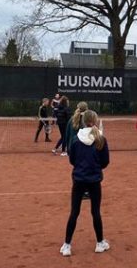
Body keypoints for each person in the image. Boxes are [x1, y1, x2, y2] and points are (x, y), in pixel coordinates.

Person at [60, 110, 110, 257]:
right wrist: (95, 168)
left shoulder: (76, 139)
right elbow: (105, 162)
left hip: (79, 180)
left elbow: (72, 159)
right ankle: (100, 243)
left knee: (74, 213)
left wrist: (83, 167)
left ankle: (67, 245)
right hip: (94, 181)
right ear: (94, 121)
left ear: (83, 121)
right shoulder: (101, 139)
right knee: (96, 212)